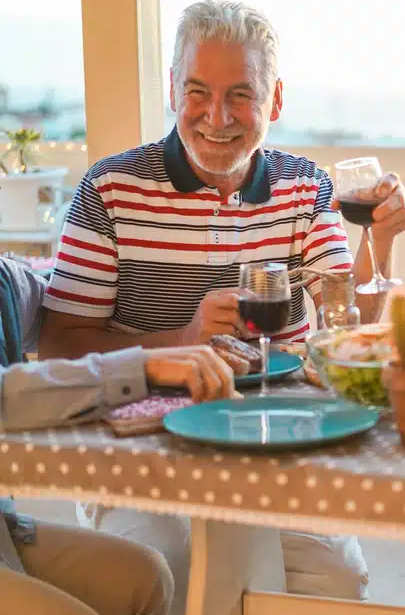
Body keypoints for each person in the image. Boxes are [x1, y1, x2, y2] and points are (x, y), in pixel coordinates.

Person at [37, 0, 401, 610]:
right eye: (199, 91)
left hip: (277, 439)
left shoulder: (306, 188)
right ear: (174, 88)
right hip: (144, 448)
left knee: (336, 582)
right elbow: (59, 345)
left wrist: (381, 240)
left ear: (276, 101)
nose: (217, 116)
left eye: (241, 95)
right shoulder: (109, 189)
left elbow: (350, 327)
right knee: (168, 568)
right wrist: (180, 340)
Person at [0, 256, 239, 614]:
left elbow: (59, 305)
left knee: (147, 577)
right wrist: (141, 365)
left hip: (5, 532)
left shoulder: (8, 280)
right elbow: (8, 395)